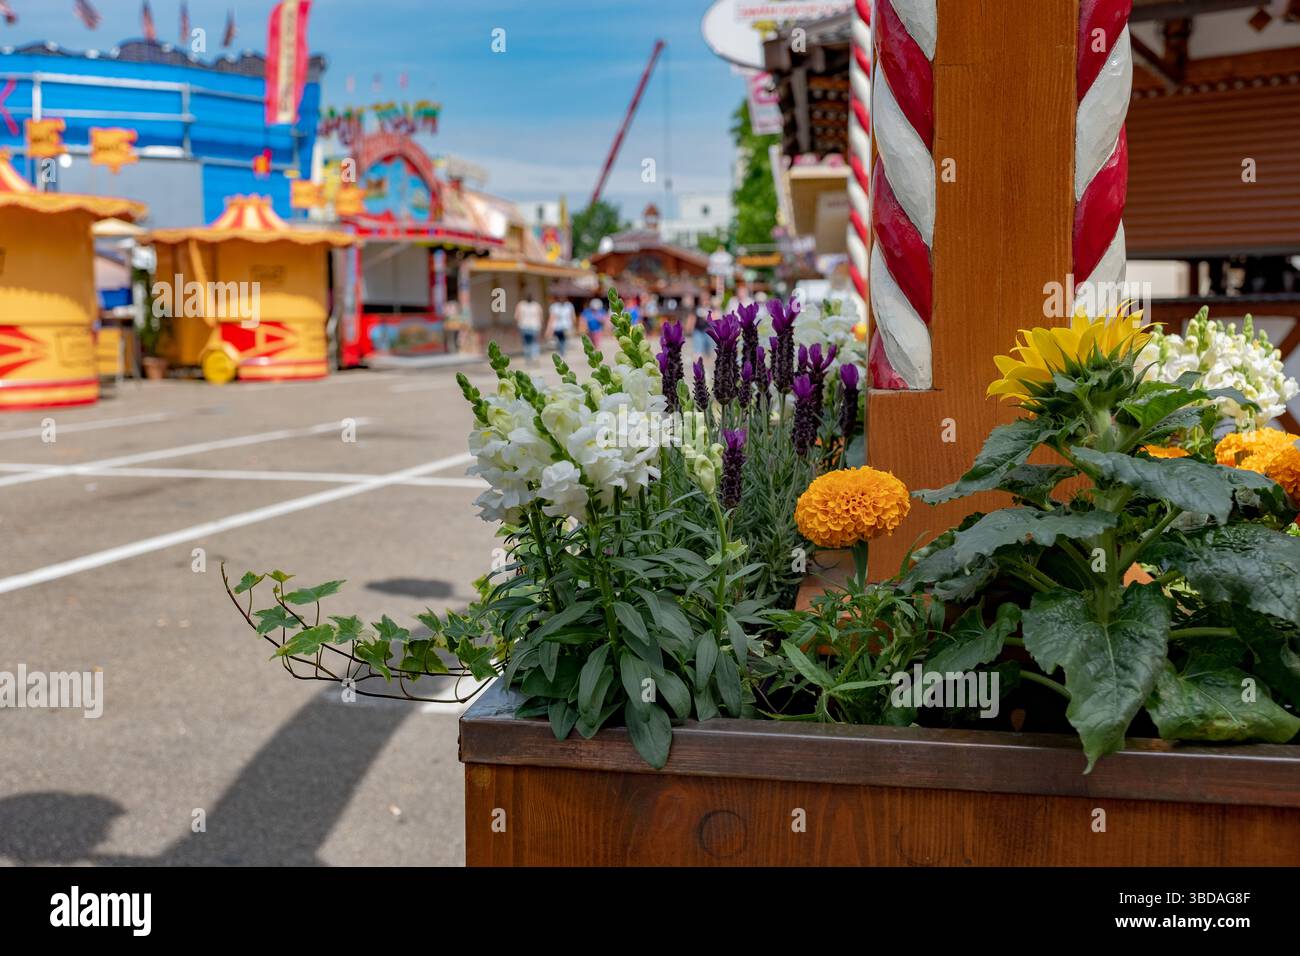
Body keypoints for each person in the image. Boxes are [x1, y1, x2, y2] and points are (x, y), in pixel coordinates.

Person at [515, 292, 543, 365]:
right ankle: (535, 356)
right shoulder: (536, 305)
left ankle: (528, 358)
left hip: (524, 326)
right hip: (534, 326)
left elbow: (516, 316)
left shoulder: (521, 305)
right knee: (534, 342)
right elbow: (540, 316)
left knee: (526, 343)